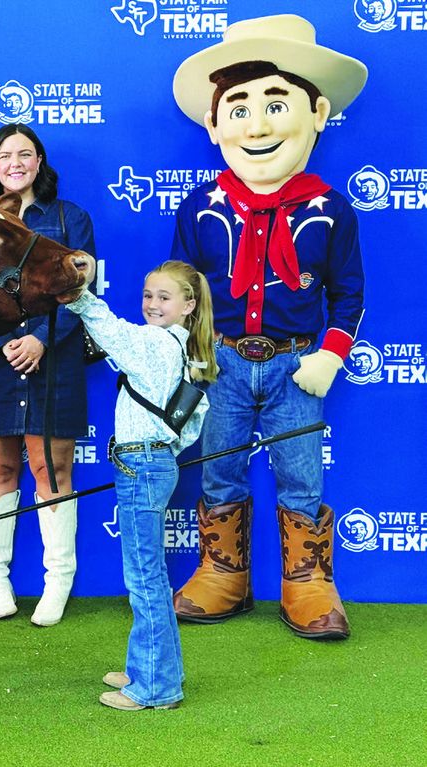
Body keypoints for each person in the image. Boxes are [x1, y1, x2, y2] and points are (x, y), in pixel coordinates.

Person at [168, 14, 367, 639]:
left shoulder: (329, 208)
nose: (256, 126)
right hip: (222, 361)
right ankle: (221, 572)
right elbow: (182, 289)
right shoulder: (200, 206)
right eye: (240, 107)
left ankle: (307, 582)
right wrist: (190, 351)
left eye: (276, 105)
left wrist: (330, 355)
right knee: (218, 467)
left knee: (302, 471)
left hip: (296, 365)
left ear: (316, 113)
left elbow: (349, 293)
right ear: (214, 122)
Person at [65, 258, 218, 711]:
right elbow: (189, 424)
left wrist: (79, 296)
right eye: (148, 295)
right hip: (150, 463)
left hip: (142, 467)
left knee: (145, 579)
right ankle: (150, 668)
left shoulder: (154, 342)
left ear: (188, 305)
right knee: (147, 577)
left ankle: (155, 687)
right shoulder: (180, 344)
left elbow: (113, 332)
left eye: (164, 297)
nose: (152, 304)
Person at [0, 124, 96, 626]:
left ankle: (56, 583)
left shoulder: (69, 218)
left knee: (51, 472)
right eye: (5, 155)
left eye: (25, 154)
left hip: (53, 358)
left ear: (40, 162)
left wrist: (39, 338)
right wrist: (1, 342)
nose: (15, 163)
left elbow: (81, 290)